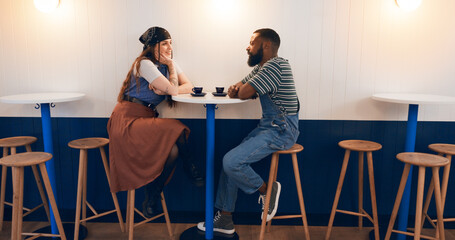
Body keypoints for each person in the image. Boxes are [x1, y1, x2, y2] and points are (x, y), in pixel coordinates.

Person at [197, 28, 300, 235]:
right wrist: (242, 90)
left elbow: (243, 91)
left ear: (267, 45)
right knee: (230, 163)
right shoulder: (262, 67)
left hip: (282, 129)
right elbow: (237, 87)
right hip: (268, 126)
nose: (248, 46)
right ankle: (225, 219)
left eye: (252, 42)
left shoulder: (275, 66)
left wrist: (243, 90)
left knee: (231, 161)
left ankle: (267, 191)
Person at [107, 26, 204, 218]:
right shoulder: (144, 64)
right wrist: (169, 88)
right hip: (127, 121)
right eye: (164, 44)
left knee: (173, 151)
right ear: (152, 47)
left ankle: (152, 195)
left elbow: (189, 86)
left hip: (145, 119)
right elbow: (175, 90)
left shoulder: (170, 65)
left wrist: (168, 84)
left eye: (170, 43)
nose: (169, 47)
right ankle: (191, 167)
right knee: (176, 126)